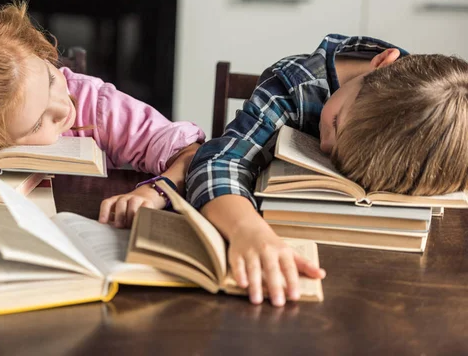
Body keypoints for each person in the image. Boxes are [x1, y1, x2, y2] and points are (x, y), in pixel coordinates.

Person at [186, 33, 468, 306]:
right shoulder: (293, 85)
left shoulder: (443, 126)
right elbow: (221, 160)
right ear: (381, 64)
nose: (324, 145)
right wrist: (247, 229)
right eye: (335, 123)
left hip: (387, 278)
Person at [0, 2, 205, 227]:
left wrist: (155, 192)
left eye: (49, 78)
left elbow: (190, 153)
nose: (64, 109)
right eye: (36, 123)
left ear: (36, 50)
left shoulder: (96, 105)